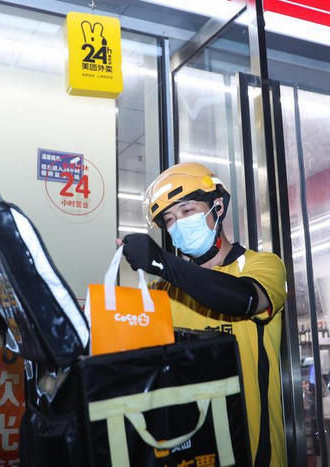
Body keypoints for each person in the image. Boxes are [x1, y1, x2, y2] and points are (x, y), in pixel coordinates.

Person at [118, 162, 286, 467]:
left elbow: (244, 299)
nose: (178, 224)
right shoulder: (162, 291)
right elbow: (112, 336)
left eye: (187, 210)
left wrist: (164, 264)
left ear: (217, 207)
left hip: (255, 453)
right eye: (170, 219)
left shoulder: (263, 265)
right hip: (194, 451)